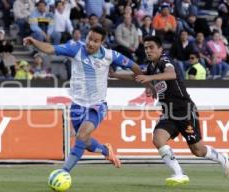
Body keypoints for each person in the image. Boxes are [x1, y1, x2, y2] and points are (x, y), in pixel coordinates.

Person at [110, 36, 229, 186]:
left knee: (198, 150)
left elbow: (171, 74)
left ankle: (221, 158)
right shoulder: (151, 66)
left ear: (160, 49)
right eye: (146, 48)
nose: (148, 50)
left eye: (151, 47)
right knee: (157, 139)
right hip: (168, 112)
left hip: (184, 110)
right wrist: (114, 75)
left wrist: (150, 79)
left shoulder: (164, 60)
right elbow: (137, 76)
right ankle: (179, 173)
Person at [23, 26, 144, 172]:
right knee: (84, 140)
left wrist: (149, 85)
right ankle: (105, 150)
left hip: (97, 105)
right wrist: (34, 41)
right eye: (89, 39)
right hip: (77, 105)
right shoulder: (75, 49)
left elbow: (135, 67)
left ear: (102, 43)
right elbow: (50, 48)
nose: (91, 43)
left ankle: (64, 172)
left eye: (96, 41)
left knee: (81, 135)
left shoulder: (110, 56)